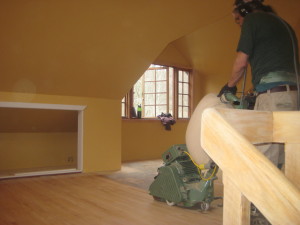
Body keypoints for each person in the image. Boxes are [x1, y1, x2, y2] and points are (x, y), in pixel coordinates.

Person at [218, 0, 299, 167]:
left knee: (263, 161)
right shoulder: (283, 24)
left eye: (238, 19)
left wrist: (230, 86)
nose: (239, 24)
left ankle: (257, 193)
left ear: (244, 11)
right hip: (292, 96)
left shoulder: (253, 20)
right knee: (284, 160)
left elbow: (241, 62)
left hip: (273, 97)